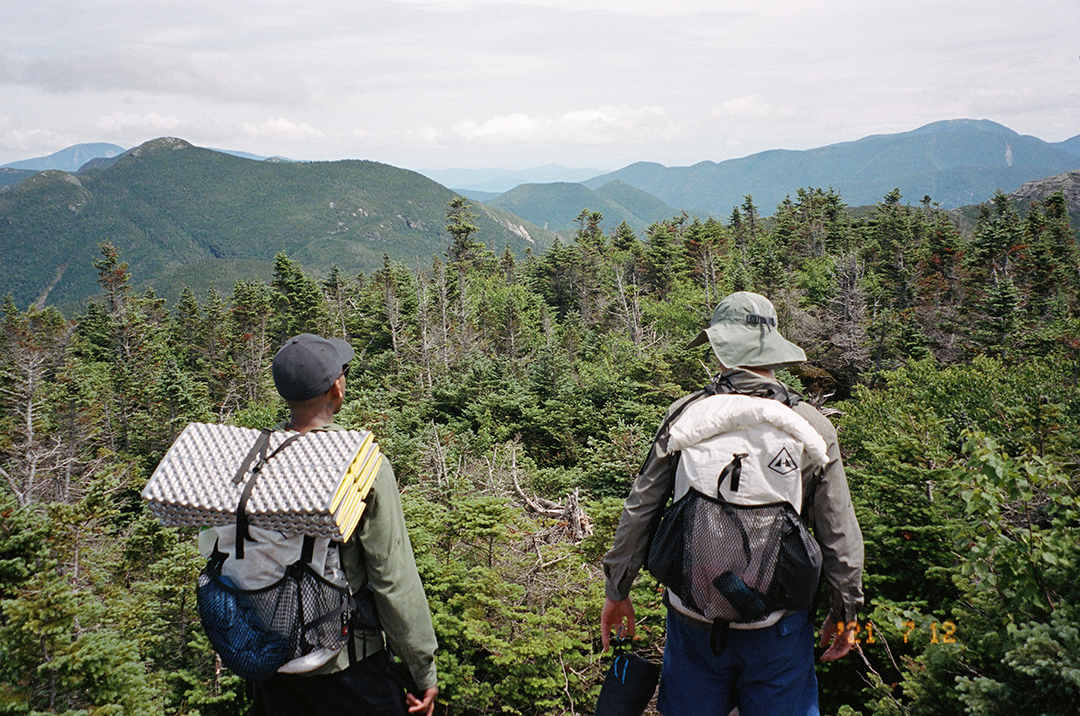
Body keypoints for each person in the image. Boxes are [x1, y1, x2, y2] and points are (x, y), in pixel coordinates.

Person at [600, 292, 864, 716]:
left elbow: (641, 508)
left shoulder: (686, 415)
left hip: (693, 619)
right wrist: (845, 609)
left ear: (720, 347)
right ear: (774, 349)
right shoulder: (811, 426)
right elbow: (838, 532)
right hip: (778, 627)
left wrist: (618, 589)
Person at [255, 333, 439, 716]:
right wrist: (423, 668)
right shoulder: (363, 465)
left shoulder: (255, 458)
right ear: (336, 389)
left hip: (271, 664)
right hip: (349, 665)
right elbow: (392, 575)